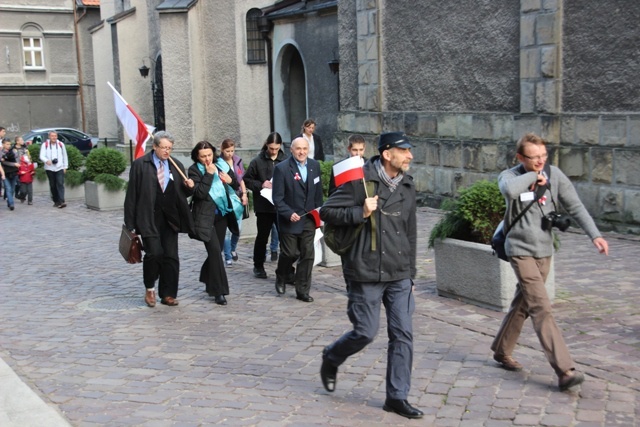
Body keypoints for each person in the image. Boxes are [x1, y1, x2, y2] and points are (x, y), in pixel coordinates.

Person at [490, 132, 609, 391]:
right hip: (519, 250)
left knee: (524, 302)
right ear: (520, 157)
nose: (540, 161)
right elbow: (509, 191)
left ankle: (501, 349)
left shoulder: (555, 175)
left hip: (544, 250)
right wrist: (534, 177)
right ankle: (565, 369)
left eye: (544, 156)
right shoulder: (510, 176)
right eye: (533, 158)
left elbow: (575, 206)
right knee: (541, 307)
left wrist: (595, 235)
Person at [319, 131, 423, 419]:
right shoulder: (359, 180)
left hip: (399, 273)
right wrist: (359, 212)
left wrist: (411, 275)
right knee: (365, 332)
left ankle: (397, 396)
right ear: (388, 154)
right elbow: (326, 212)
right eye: (405, 151)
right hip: (365, 271)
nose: (410, 156)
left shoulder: (408, 186)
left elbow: (410, 232)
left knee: (403, 334)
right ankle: (332, 356)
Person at [124, 131, 195, 308]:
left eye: (169, 148)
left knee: (171, 256)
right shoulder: (141, 165)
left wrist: (189, 188)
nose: (166, 151)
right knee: (154, 253)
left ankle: (168, 293)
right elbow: (132, 194)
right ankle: (150, 288)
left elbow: (181, 192)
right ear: (154, 146)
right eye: (163, 147)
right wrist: (130, 223)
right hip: (149, 217)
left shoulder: (175, 165)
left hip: (170, 218)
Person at [272, 137, 323, 302]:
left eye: (304, 149)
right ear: (291, 150)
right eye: (298, 149)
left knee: (308, 254)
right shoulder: (282, 169)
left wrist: (319, 213)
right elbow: (277, 198)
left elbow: (318, 194)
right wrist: (288, 213)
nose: (302, 152)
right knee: (289, 253)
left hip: (308, 218)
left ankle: (302, 290)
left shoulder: (314, 166)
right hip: (290, 219)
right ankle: (282, 274)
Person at [188, 141, 237, 305]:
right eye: (203, 156)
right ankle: (219, 291)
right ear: (197, 156)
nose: (207, 159)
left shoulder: (221, 165)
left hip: (222, 214)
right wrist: (208, 174)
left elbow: (235, 183)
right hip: (204, 218)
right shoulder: (194, 170)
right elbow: (200, 193)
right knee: (216, 252)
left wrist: (230, 180)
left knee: (218, 251)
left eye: (209, 155)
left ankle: (206, 276)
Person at [243, 132, 288, 279]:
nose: (273, 151)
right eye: (271, 148)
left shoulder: (286, 160)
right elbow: (247, 180)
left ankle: (286, 267)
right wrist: (261, 184)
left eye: (276, 148)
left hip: (281, 206)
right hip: (264, 206)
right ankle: (258, 265)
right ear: (267, 145)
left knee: (285, 237)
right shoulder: (257, 161)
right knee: (262, 236)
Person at [220, 138, 248, 266]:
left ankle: (232, 249)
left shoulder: (237, 161)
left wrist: (244, 194)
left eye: (232, 150)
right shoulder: (218, 163)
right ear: (222, 149)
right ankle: (227, 256)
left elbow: (241, 179)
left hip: (236, 197)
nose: (230, 153)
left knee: (238, 228)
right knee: (226, 230)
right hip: (224, 197)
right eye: (227, 151)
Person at [39, 131, 69, 208]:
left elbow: (65, 156)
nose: (54, 137)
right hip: (49, 168)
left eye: (55, 136)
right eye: (52, 136)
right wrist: (46, 160)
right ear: (49, 137)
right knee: (53, 185)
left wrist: (65, 166)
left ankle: (62, 201)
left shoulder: (61, 145)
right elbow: (41, 156)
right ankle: (56, 201)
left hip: (59, 167)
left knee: (60, 183)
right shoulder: (45, 145)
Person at [1, 138, 19, 210]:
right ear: (3, 144)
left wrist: (15, 164)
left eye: (9, 144)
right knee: (8, 188)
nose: (9, 146)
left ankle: (9, 201)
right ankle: (11, 204)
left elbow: (17, 158)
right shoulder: (1, 152)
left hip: (13, 172)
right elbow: (3, 162)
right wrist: (14, 164)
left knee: (12, 189)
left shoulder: (13, 151)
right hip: (5, 173)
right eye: (7, 144)